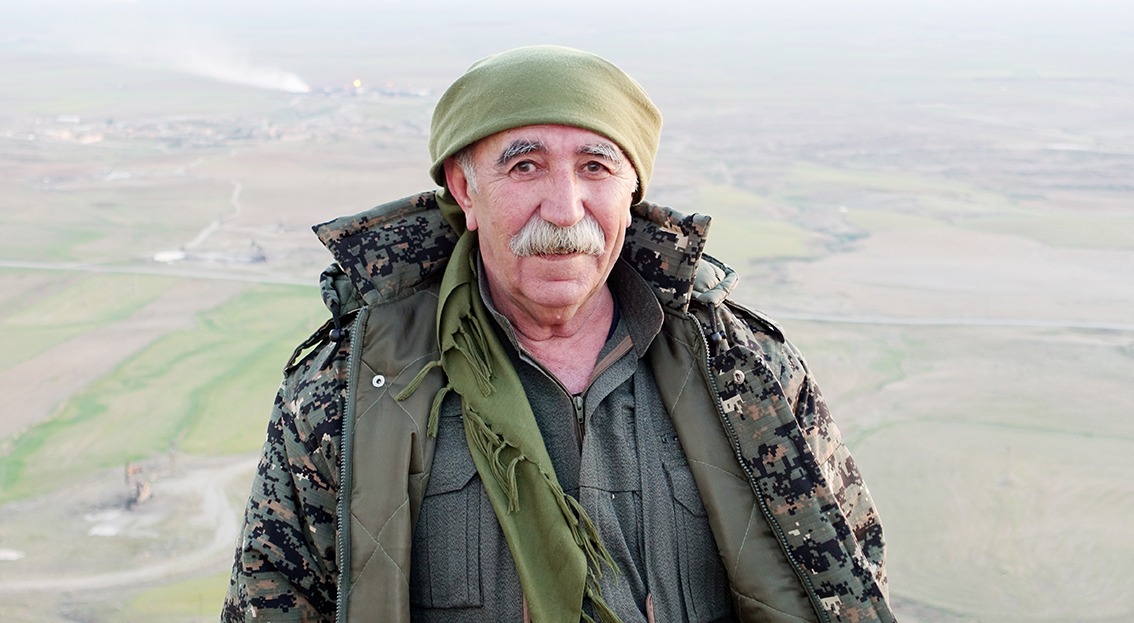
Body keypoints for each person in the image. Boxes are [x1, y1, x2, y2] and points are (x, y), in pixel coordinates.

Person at [222, 46, 893, 623]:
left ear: (631, 190)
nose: (565, 209)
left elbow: (847, 571)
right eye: (525, 167)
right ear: (464, 188)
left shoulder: (746, 371)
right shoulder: (345, 391)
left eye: (596, 167)